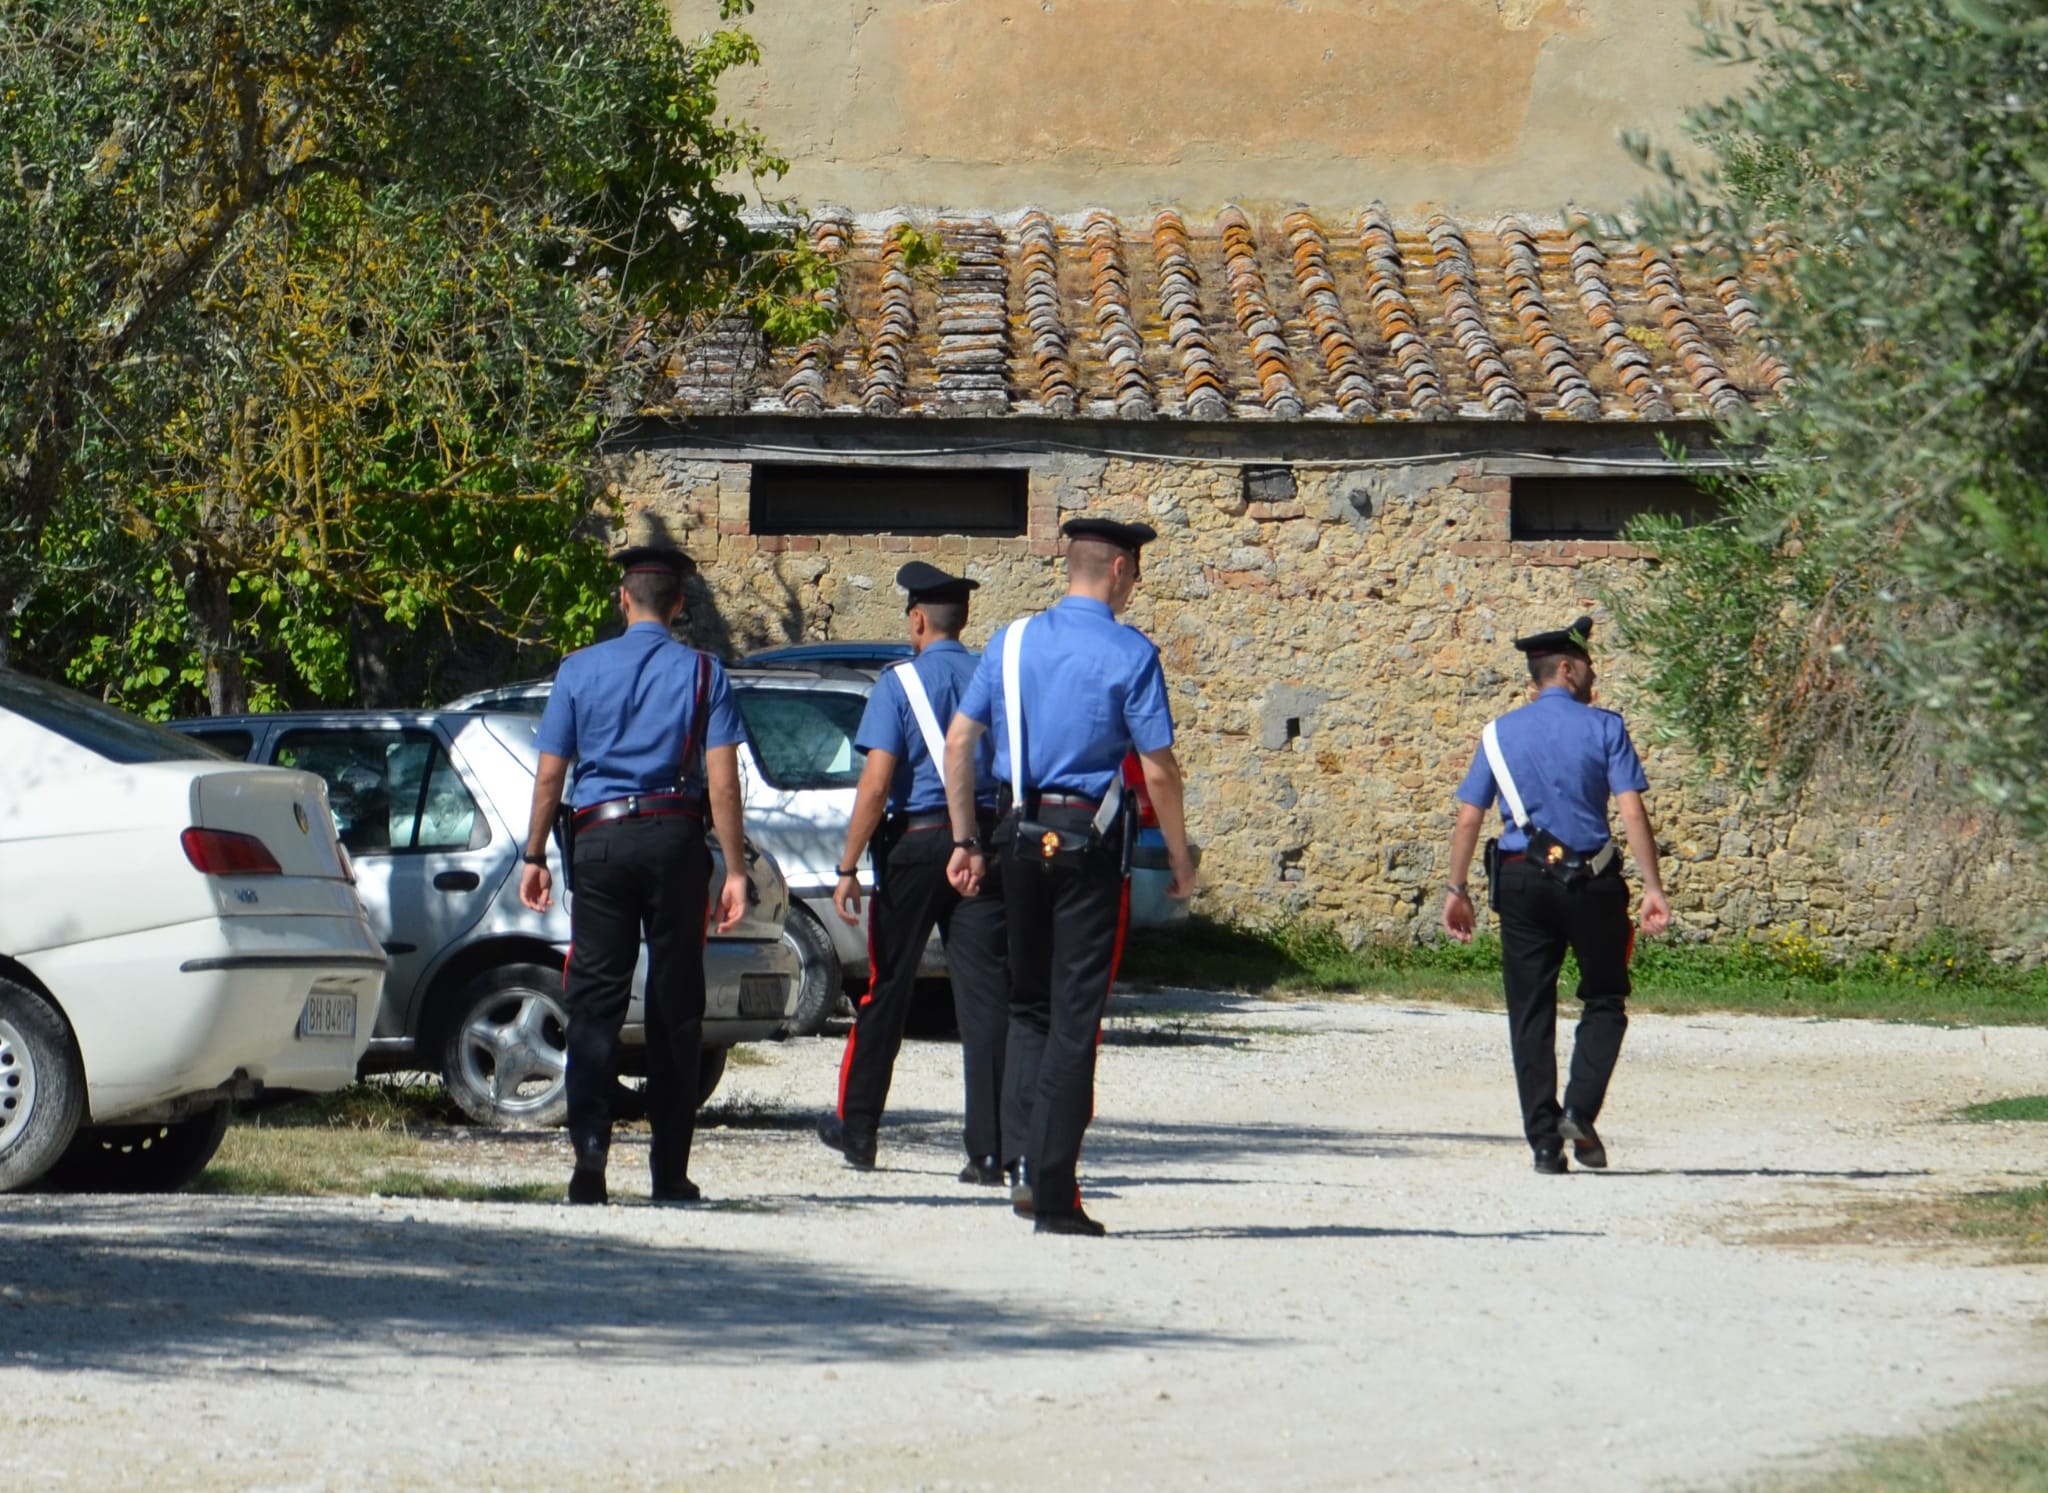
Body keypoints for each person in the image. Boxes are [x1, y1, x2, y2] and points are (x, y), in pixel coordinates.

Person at [942, 518, 1199, 1237]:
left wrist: (966, 840)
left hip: (1018, 836)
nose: (1135, 585)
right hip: (1089, 843)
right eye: (1136, 572)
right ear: (1117, 569)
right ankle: (1053, 1190)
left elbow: (960, 741)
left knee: (1029, 1006)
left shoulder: (1010, 641)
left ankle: (1022, 1164)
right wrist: (1179, 855)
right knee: (1075, 1016)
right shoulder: (1131, 651)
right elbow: (1157, 769)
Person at [519, 545, 751, 1206]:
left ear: (623, 599)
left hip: (599, 839)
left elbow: (551, 774)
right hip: (675, 838)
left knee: (595, 999)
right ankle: (669, 1170)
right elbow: (722, 784)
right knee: (676, 1004)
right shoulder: (704, 672)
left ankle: (590, 1154)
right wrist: (735, 868)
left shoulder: (578, 669)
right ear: (678, 605)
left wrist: (534, 854)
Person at [1440, 615, 1672, 1174]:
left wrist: (1457, 888)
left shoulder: (1497, 735)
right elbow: (1631, 810)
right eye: (1588, 664)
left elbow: (1470, 817)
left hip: (1522, 881)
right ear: (1567, 669)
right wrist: (1652, 886)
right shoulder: (1606, 728)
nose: (1594, 675)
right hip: (1593, 883)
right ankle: (1580, 1112)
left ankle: (1545, 1145)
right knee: (1605, 998)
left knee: (1530, 1011)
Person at [817, 563, 1010, 1183]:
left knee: (887, 987)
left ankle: (859, 1128)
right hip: (981, 842)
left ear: (918, 620)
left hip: (917, 844)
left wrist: (848, 864)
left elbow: (876, 785)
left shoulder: (898, 683)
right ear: (964, 620)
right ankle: (990, 1151)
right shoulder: (991, 678)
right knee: (984, 998)